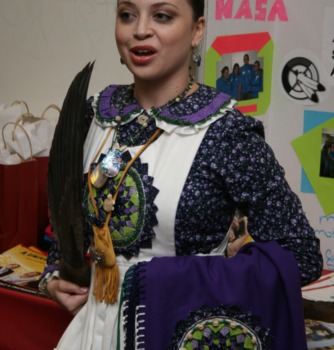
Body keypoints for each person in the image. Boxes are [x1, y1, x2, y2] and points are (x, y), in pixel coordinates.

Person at [39, 0, 323, 349]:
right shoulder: (95, 114)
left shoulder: (226, 133)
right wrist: (55, 274)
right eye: (127, 14)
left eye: (162, 15)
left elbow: (302, 255)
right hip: (89, 334)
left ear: (197, 30)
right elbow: (69, 216)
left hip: (177, 334)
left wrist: (181, 279)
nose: (140, 29)